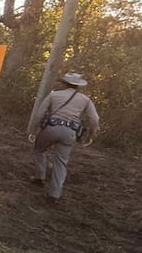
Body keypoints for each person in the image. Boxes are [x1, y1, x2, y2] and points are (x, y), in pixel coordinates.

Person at [27, 72, 100, 204]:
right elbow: (94, 119)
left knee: (39, 150)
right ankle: (54, 195)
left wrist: (33, 131)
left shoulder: (54, 95)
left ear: (64, 83)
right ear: (78, 86)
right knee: (61, 162)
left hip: (51, 128)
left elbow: (39, 114)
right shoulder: (85, 100)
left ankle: (39, 177)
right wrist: (90, 135)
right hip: (70, 133)